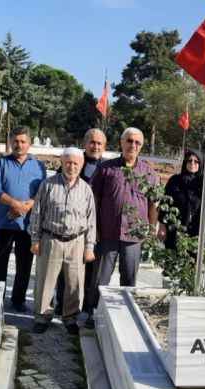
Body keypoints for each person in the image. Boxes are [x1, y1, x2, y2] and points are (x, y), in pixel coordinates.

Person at [87, 127, 159, 326]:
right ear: (121, 142)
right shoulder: (106, 169)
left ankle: (127, 317)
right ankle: (93, 314)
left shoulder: (148, 172)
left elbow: (154, 203)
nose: (133, 145)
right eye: (129, 141)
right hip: (107, 233)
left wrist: (150, 228)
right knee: (100, 279)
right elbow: (94, 199)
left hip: (134, 236)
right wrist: (95, 229)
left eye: (137, 142)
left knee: (129, 280)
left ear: (141, 146)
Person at [28, 147, 96, 334]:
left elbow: (91, 221)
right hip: (51, 239)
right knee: (45, 281)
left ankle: (70, 318)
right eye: (68, 162)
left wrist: (89, 247)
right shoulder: (48, 185)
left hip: (76, 242)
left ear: (81, 165)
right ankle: (42, 316)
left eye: (75, 163)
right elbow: (37, 213)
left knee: (74, 283)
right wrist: (35, 239)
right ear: (62, 163)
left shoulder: (86, 190)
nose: (71, 166)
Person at [0, 126, 47, 312]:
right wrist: (15, 204)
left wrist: (26, 207)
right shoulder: (0, 163)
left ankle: (18, 300)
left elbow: (42, 191)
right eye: (15, 141)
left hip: (28, 225)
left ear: (29, 144)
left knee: (24, 265)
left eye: (23, 141)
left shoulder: (39, 166)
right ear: (10, 142)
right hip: (2, 223)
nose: (18, 145)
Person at [54, 128, 107, 316]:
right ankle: (61, 304)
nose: (95, 146)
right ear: (85, 144)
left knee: (91, 270)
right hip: (69, 228)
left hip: (95, 229)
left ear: (104, 146)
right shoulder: (72, 161)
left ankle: (85, 307)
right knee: (65, 271)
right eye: (92, 142)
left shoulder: (108, 167)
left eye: (99, 143)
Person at [157, 149, 203, 249]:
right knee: (172, 260)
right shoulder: (175, 180)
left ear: (200, 164)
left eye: (196, 161)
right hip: (174, 229)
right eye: (189, 160)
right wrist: (162, 226)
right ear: (185, 162)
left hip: (195, 233)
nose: (192, 163)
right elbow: (165, 204)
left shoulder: (203, 184)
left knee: (191, 263)